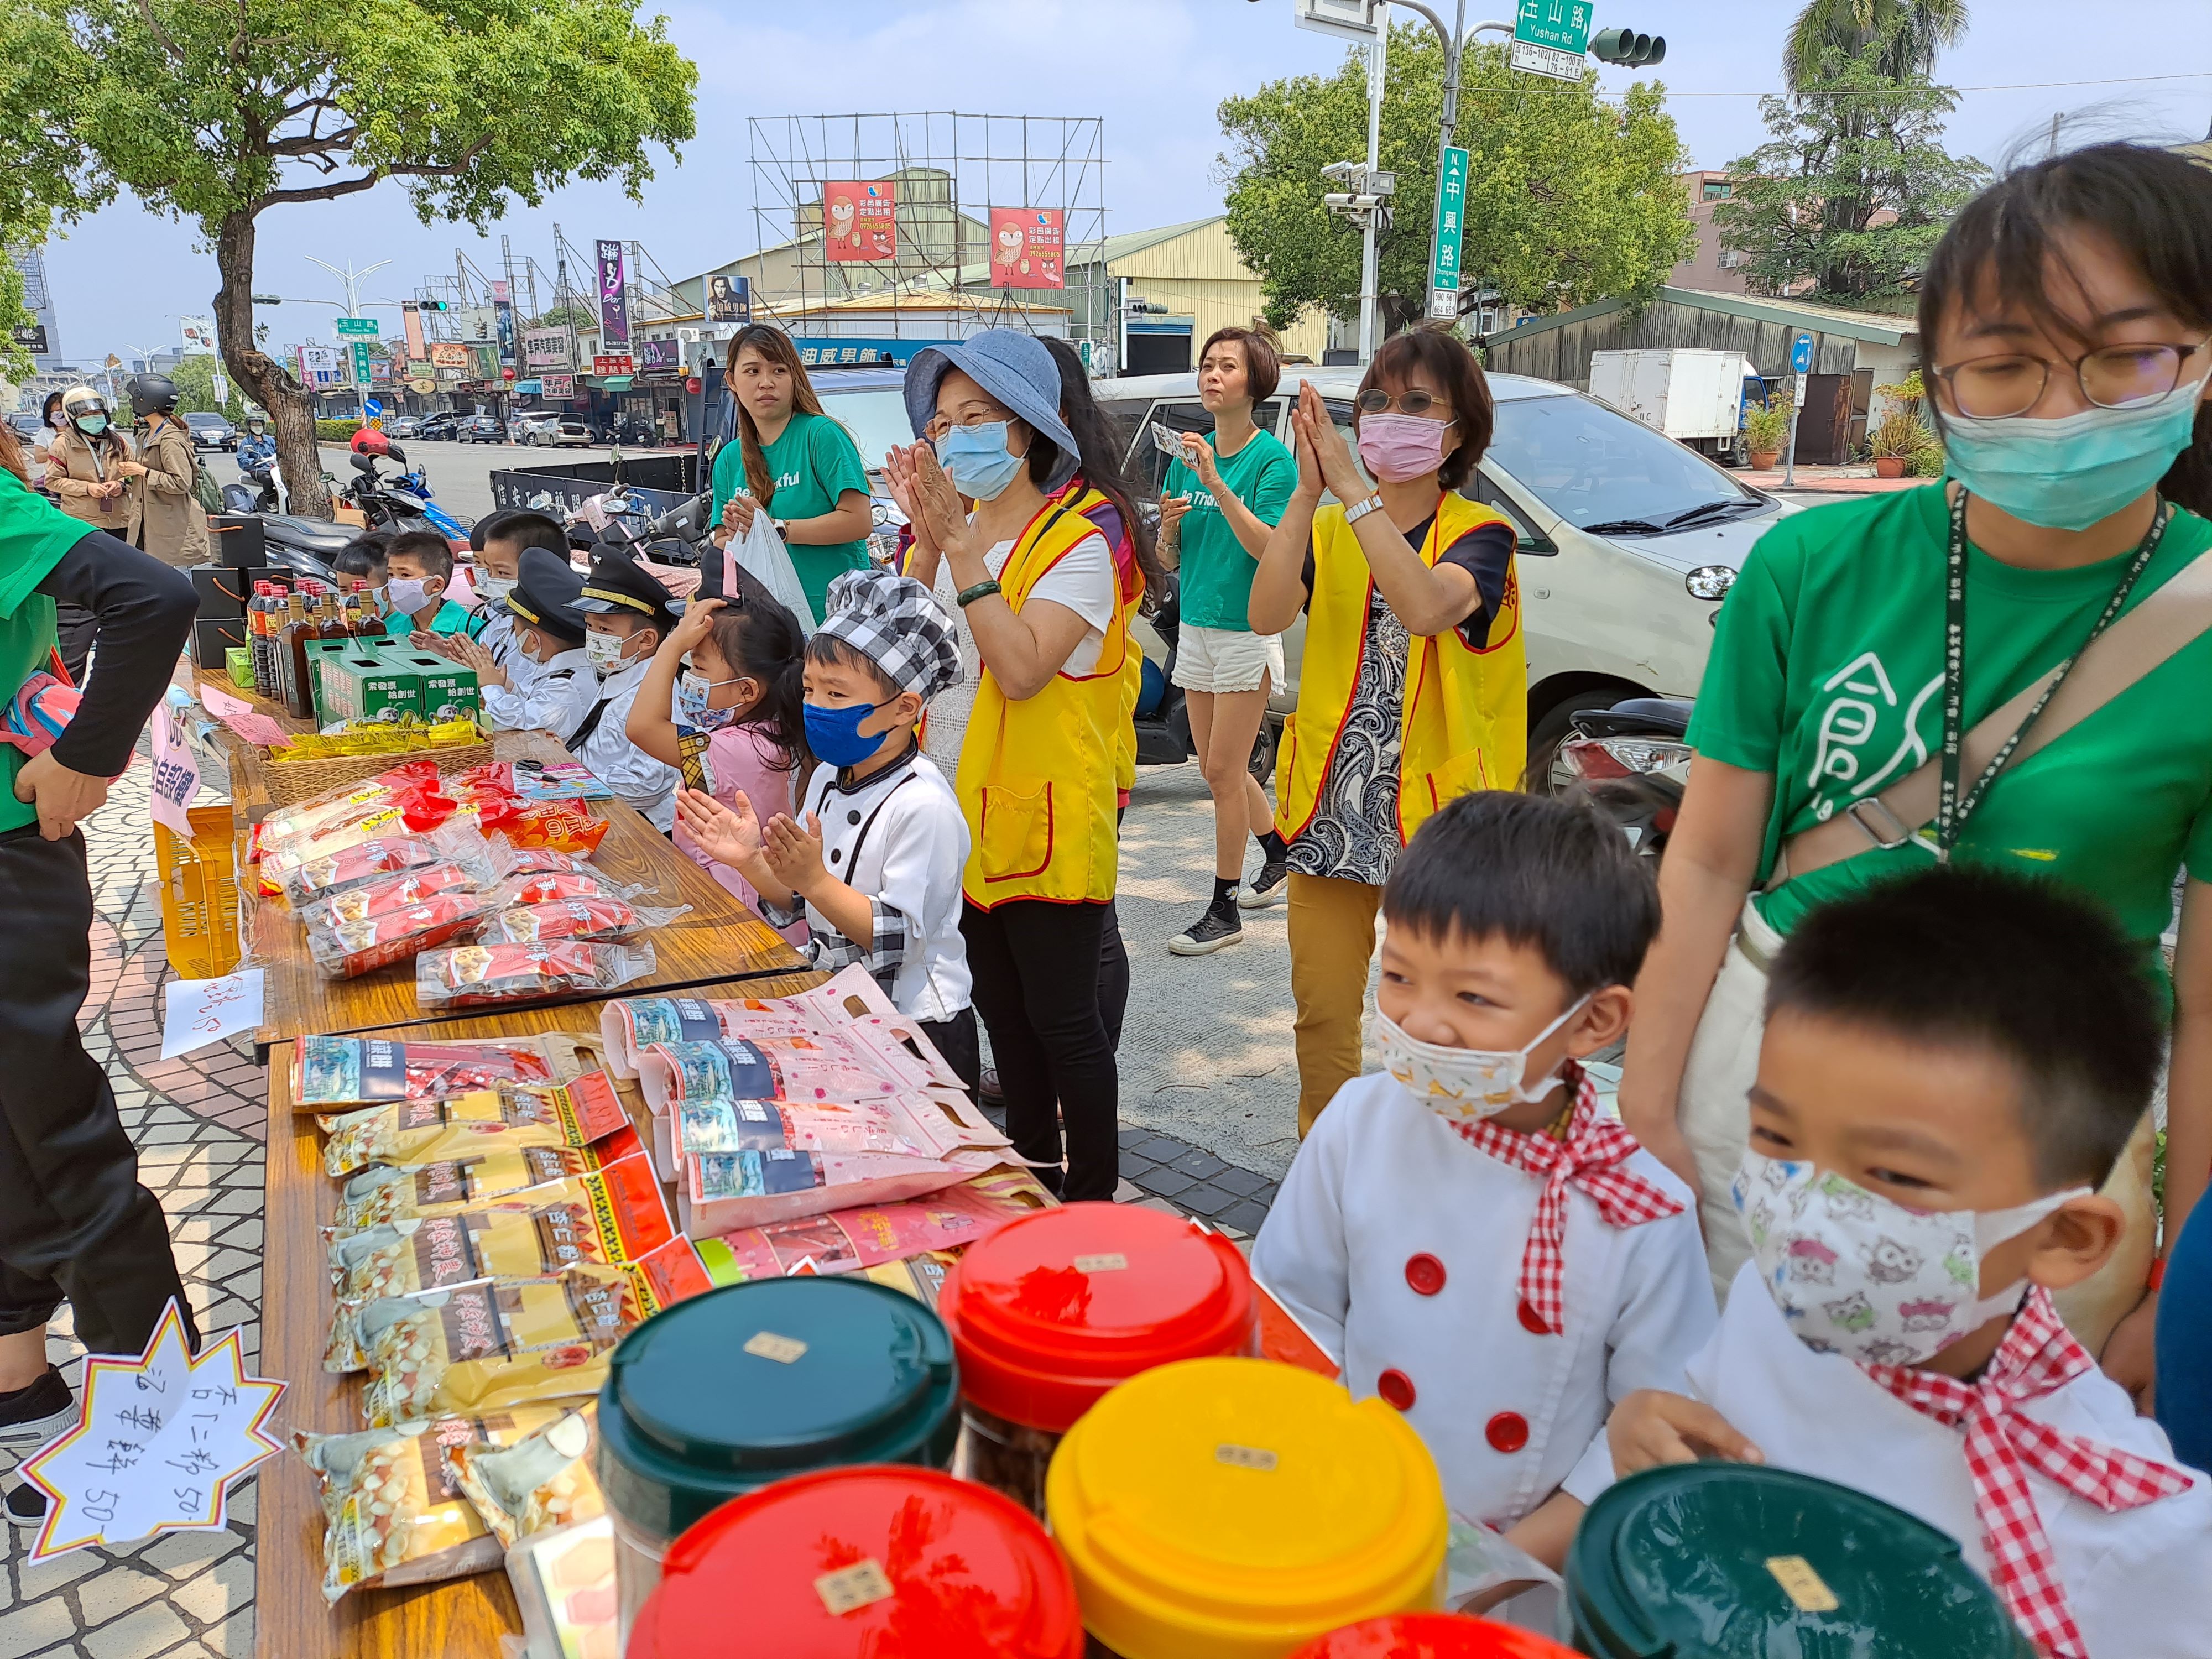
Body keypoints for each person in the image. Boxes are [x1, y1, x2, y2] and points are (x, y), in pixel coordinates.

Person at [1615, 147, 2212, 1383]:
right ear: (1937, 382)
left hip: (2044, 1140)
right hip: (1770, 1089)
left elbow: (2207, 1004)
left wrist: (2175, 1278)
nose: (2058, 410)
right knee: (1724, 1426)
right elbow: (1712, 859)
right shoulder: (1807, 568)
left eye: (2120, 356)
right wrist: (1646, 1110)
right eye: (2002, 367)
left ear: (2198, 360)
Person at [1599, 868, 2211, 1659]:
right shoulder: (1774, 1309)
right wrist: (1651, 1459)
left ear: (2063, 1237)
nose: (1810, 1213)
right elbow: (1728, 1514)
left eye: (1893, 1176)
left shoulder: (2136, 1531)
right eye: (1779, 1141)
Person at [1253, 792, 1711, 1574]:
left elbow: (1650, 1429)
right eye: (1398, 975)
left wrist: (1490, 1569)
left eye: (1473, 997)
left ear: (1595, 1022)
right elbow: (1292, 1314)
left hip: (1524, 1571)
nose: (1423, 1023)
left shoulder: (1637, 1202)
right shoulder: (1361, 1123)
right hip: (1348, 1507)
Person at [1249, 331, 1526, 1137]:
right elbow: (1266, 616)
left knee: (1439, 1021)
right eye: (1377, 401)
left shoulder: (1483, 535)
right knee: (1322, 1015)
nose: (1389, 418)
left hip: (1441, 822)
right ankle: (1328, 1178)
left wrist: (1351, 494)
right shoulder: (1331, 530)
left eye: (1416, 404)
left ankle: (1439, 1175)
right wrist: (1306, 497)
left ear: (1460, 431)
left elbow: (1426, 607)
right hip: (1331, 808)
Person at [0, 422, 202, 1530]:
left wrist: (85, 757)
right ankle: (20, 1373)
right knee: (10, 1136)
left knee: (61, 1139)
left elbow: (156, 598)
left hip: (10, 865)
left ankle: (161, 1415)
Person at [888, 330, 1142, 1201]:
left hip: (1048, 817)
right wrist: (926, 541)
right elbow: (904, 653)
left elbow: (1027, 668)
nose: (957, 438)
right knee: (1003, 1016)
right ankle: (1033, 1180)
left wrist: (959, 548)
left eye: (981, 419)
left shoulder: (1078, 537)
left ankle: (1092, 1200)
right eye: (945, 422)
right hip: (956, 808)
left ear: (1030, 431)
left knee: (1066, 1024)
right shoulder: (950, 533)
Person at [677, 570, 977, 1088]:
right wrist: (752, 860)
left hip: (916, 1029)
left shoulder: (923, 804)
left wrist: (814, 880)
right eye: (811, 689)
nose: (815, 706)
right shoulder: (827, 780)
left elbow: (898, 936)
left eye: (837, 695)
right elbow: (799, 900)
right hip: (839, 1005)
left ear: (905, 707)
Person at [1159, 327, 1300, 954]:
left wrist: (1216, 482)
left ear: (1255, 383)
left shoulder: (1272, 461)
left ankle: (1223, 910)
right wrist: (1165, 532)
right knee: (1219, 763)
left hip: (1248, 629)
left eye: (1226, 367)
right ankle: (1279, 853)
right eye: (1206, 365)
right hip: (1197, 625)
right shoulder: (1184, 453)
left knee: (1221, 771)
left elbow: (1271, 549)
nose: (1211, 376)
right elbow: (1172, 557)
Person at [629, 583, 810, 933]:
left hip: (739, 909)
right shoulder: (772, 733)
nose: (690, 680)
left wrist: (672, 645)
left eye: (698, 668)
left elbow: (642, 727)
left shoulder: (733, 748)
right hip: (738, 894)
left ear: (747, 690)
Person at [709, 323, 873, 622]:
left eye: (779, 370)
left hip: (835, 616)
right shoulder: (728, 460)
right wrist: (741, 533)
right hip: (766, 624)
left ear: (794, 377)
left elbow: (859, 522)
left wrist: (776, 528)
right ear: (732, 381)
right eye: (753, 371)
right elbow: (721, 543)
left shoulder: (821, 435)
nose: (767, 382)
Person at [568, 547, 681, 832]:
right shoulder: (619, 673)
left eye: (604, 630)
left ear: (645, 640)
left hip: (641, 828)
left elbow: (649, 785)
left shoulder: (659, 696)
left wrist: (573, 782)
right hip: (600, 809)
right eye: (589, 626)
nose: (592, 637)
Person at [42, 388, 139, 682]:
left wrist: (121, 486)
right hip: (83, 523)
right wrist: (88, 488)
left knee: (119, 589)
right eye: (85, 415)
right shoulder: (63, 445)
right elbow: (52, 481)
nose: (92, 419)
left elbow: (133, 474)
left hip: (117, 520)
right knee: (85, 598)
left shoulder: (117, 441)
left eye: (96, 413)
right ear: (73, 418)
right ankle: (70, 678)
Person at [470, 546, 599, 744]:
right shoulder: (560, 671)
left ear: (532, 639)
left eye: (516, 629)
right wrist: (507, 686)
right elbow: (534, 703)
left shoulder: (566, 686)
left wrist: (491, 687)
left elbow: (514, 721)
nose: (515, 634)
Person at [463, 509, 566, 675]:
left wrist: (492, 686)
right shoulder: (498, 614)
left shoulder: (550, 630)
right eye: (487, 568)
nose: (491, 579)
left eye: (502, 572)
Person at [121, 373, 207, 568]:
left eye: (134, 398)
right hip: (151, 526)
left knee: (178, 585)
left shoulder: (169, 440)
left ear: (146, 401)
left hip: (172, 530)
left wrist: (143, 472)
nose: (131, 403)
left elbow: (181, 482)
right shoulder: (148, 435)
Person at [383, 530, 488, 640]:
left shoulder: (473, 630)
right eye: (391, 574)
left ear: (436, 585)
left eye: (405, 575)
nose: (394, 583)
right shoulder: (389, 626)